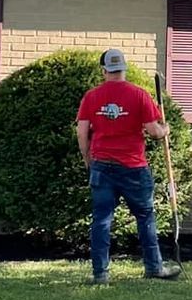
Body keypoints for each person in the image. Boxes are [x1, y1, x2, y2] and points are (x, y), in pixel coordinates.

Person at [75, 48, 178, 284]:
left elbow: (82, 132)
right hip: (134, 168)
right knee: (145, 217)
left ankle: (100, 274)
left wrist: (87, 159)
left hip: (102, 165)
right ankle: (154, 267)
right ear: (123, 69)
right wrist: (166, 130)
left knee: (101, 219)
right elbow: (154, 132)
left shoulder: (91, 97)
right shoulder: (140, 94)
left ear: (104, 71)